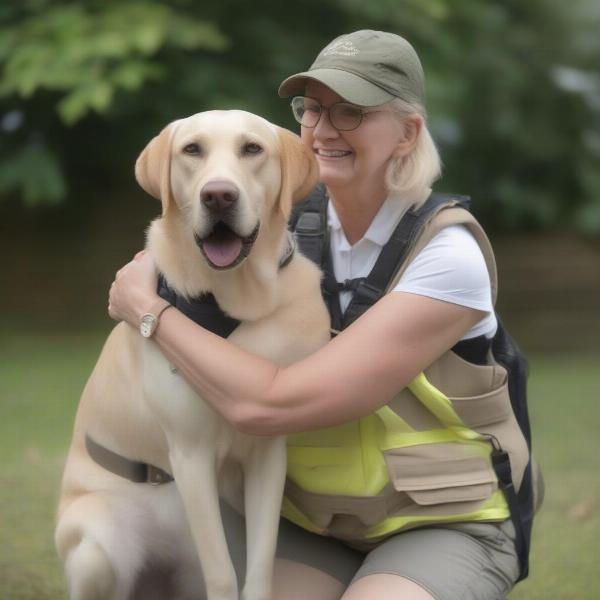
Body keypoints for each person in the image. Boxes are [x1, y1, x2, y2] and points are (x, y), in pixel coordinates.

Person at [109, 30, 527, 600]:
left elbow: (265, 404)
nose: (323, 130)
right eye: (312, 110)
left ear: (407, 132)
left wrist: (149, 311)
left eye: (351, 112)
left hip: (441, 521)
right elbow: (174, 259)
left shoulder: (446, 255)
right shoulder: (275, 230)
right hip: (313, 522)